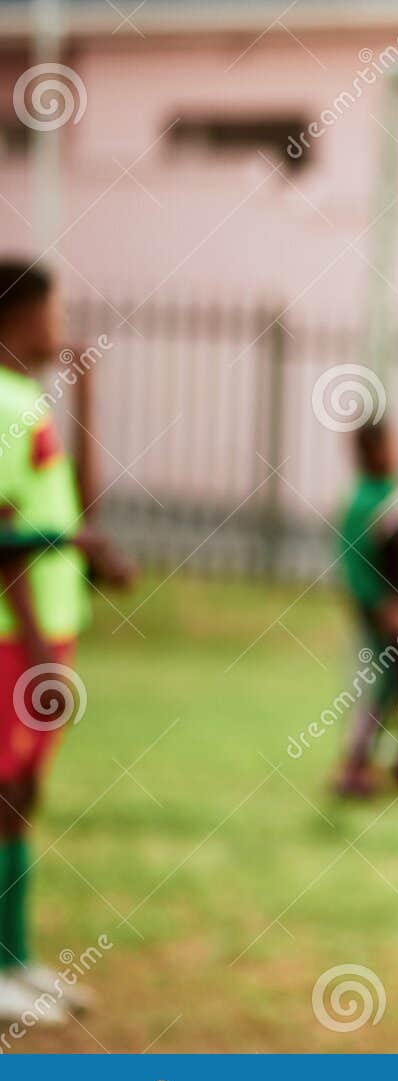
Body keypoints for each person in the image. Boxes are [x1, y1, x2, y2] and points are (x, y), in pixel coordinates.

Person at [0, 261, 136, 1024]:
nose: (62, 326)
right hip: (16, 638)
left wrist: (87, 392)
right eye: (54, 312)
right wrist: (37, 650)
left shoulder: (29, 400)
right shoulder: (3, 401)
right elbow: (3, 531)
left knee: (23, 795)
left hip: (46, 630)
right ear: (18, 316)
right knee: (6, 793)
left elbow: (80, 502)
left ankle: (15, 958)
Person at [331, 417, 398, 798]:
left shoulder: (394, 492)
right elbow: (355, 565)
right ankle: (353, 766)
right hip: (387, 612)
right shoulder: (362, 503)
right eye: (394, 443)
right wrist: (383, 606)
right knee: (383, 684)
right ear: (375, 451)